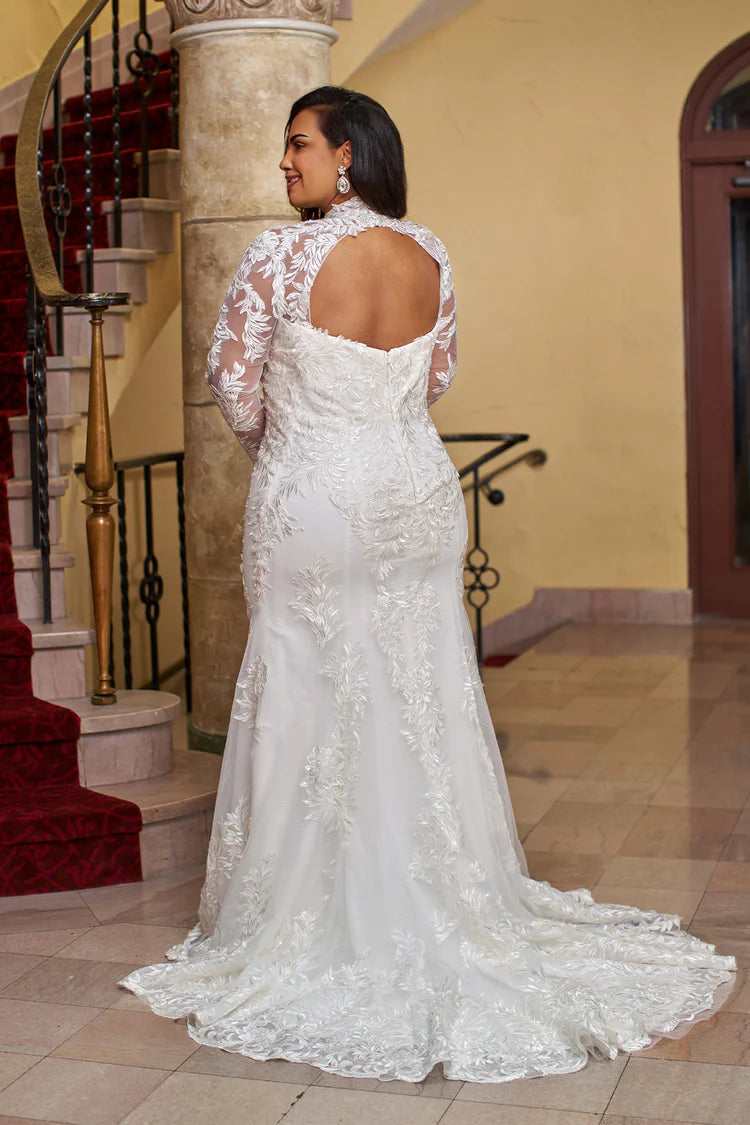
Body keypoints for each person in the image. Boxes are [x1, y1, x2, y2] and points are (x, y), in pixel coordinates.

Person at [120, 87, 735, 1082]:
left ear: (347, 156)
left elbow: (232, 386)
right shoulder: (431, 254)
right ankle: (440, 894)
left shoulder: (278, 257)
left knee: (310, 684)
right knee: (419, 690)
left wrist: (301, 446)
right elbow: (434, 378)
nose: (285, 163)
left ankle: (313, 912)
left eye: (298, 145)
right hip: (415, 494)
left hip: (316, 497)